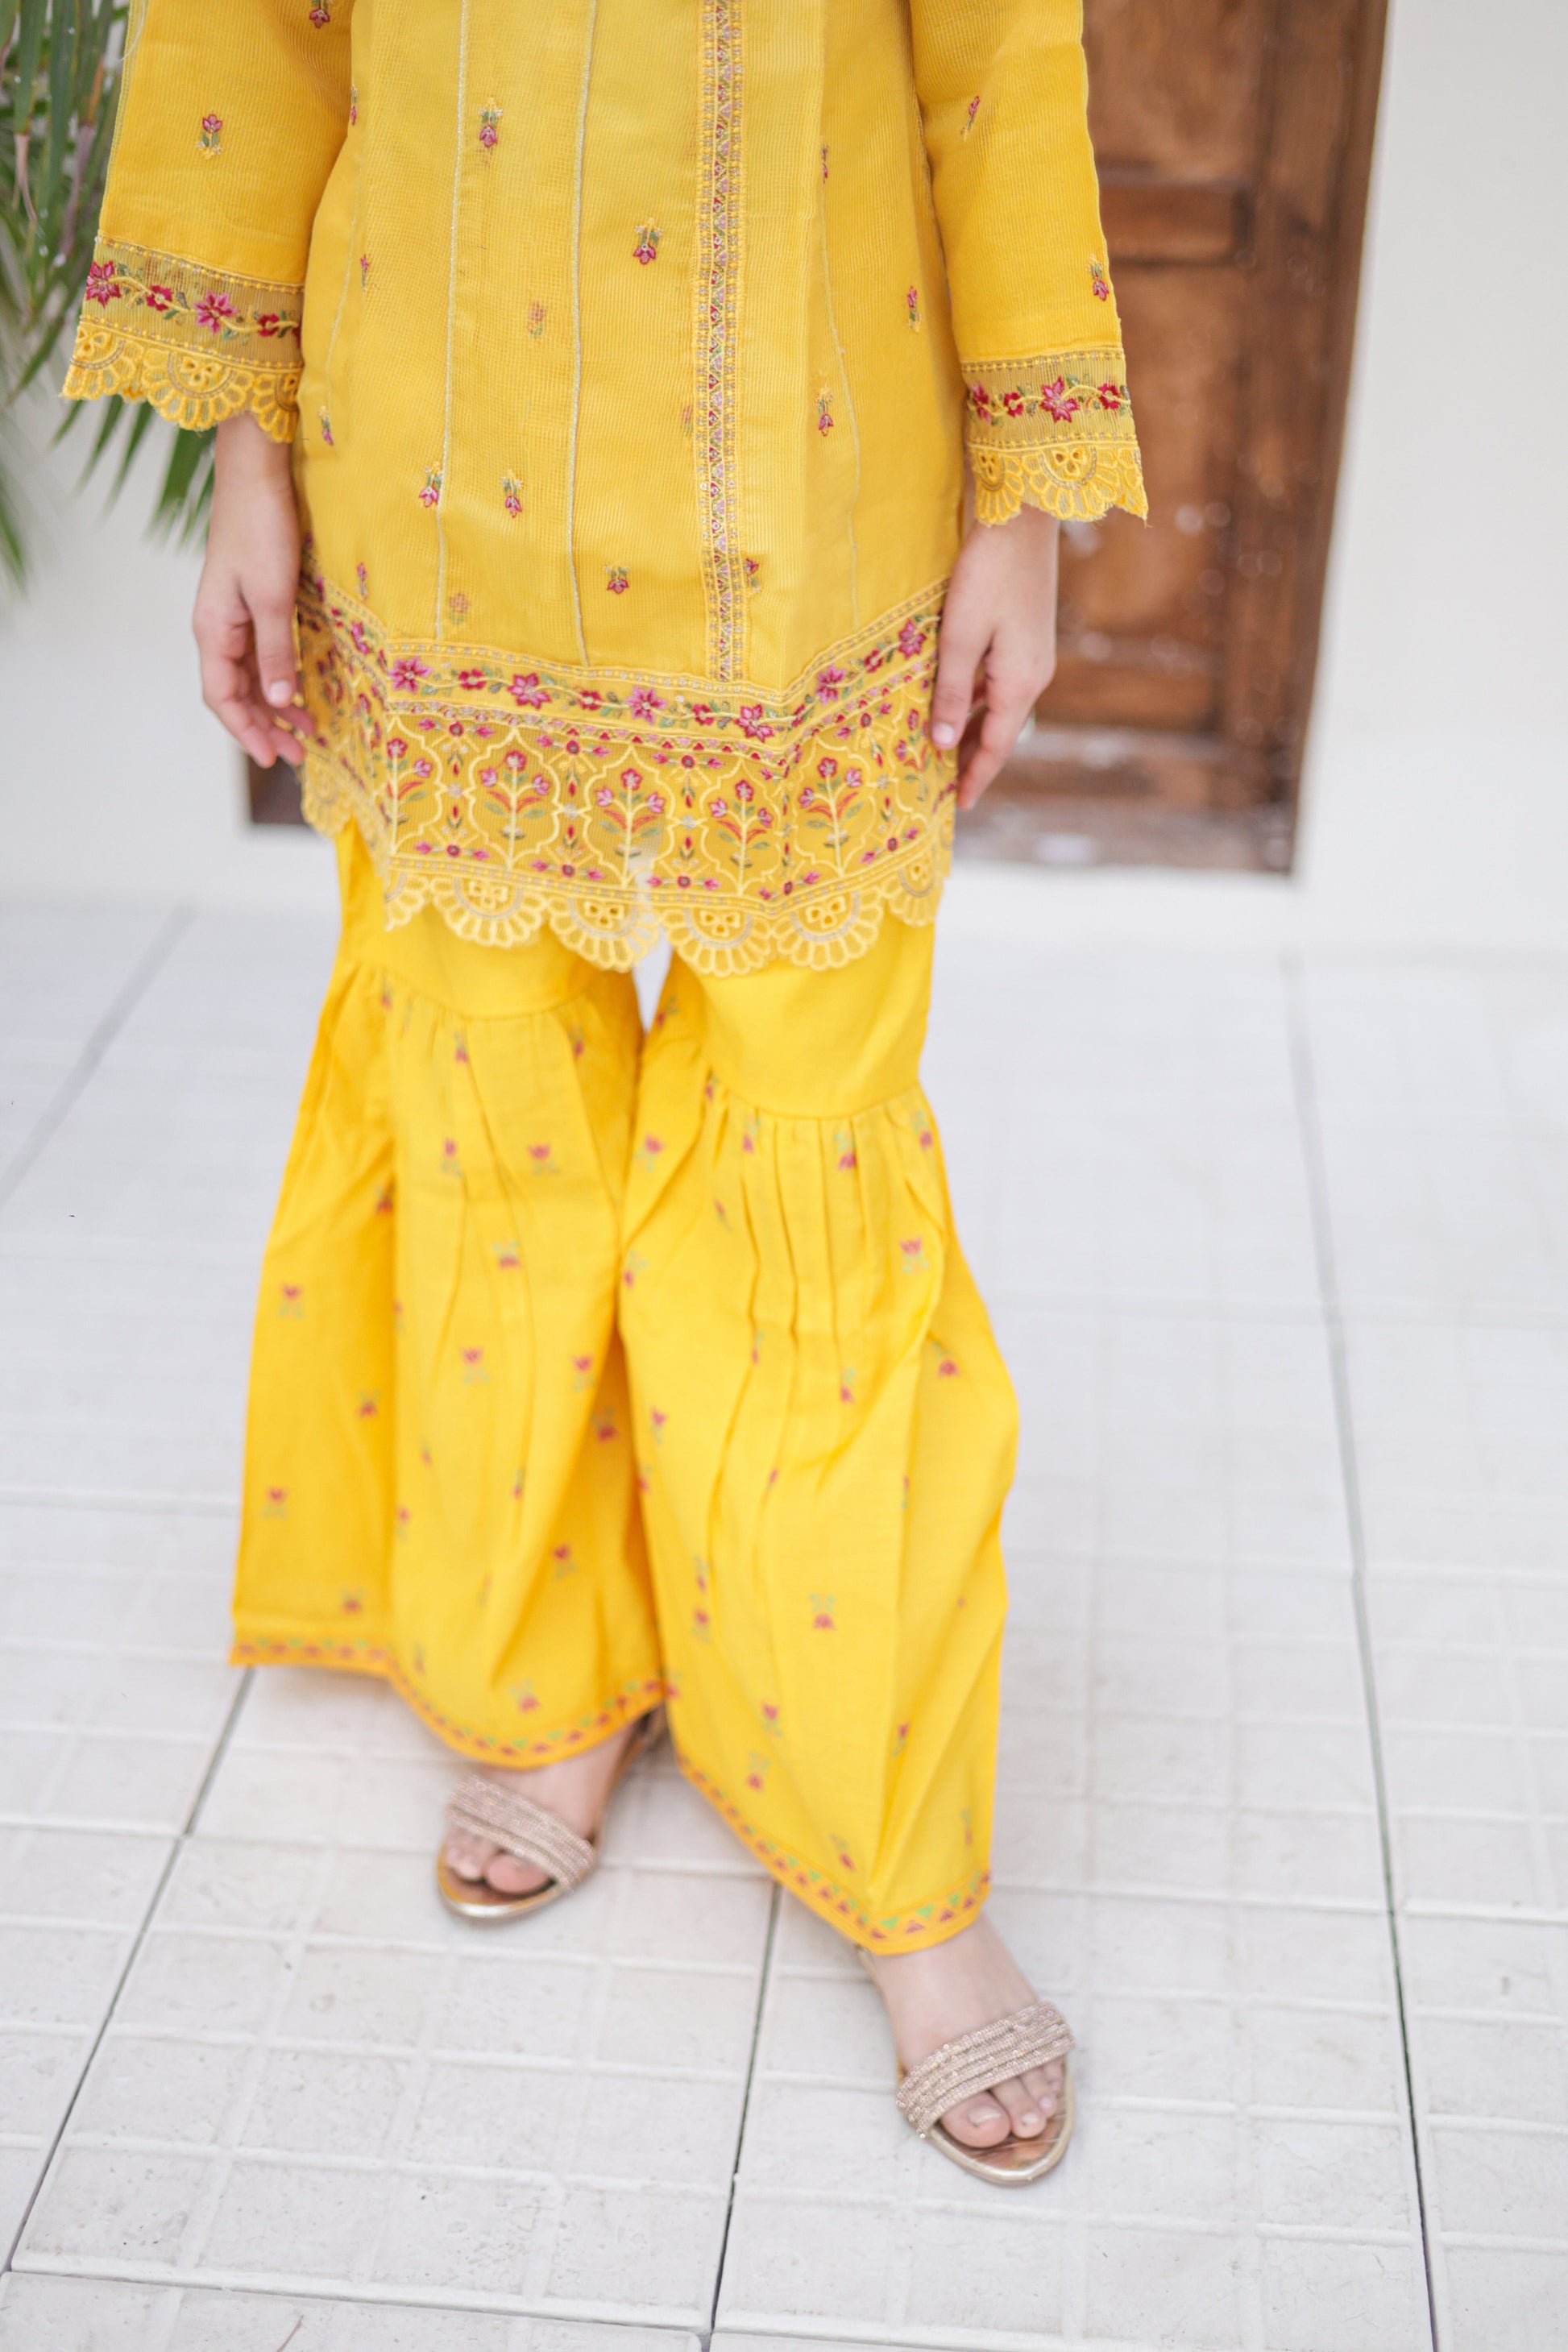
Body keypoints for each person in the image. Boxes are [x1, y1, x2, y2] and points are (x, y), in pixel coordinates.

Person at [67, 0, 1144, 2184]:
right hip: (432, 492)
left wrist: (1024, 504)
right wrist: (247, 466)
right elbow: (250, 45)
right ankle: (551, 1672)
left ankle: (891, 1856)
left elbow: (999, 62)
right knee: (490, 1125)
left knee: (809, 1169)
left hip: (818, 511)